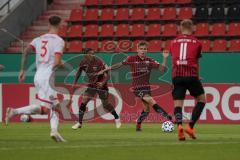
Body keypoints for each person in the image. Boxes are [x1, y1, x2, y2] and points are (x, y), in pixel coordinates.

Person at [5, 16, 66, 142]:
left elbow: (26, 51)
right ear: (60, 25)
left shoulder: (38, 39)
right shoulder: (59, 41)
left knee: (47, 109)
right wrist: (63, 64)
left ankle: (14, 111)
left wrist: (22, 70)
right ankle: (53, 131)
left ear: (48, 24)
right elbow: (57, 62)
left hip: (38, 76)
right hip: (47, 77)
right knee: (56, 107)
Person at [97, 42, 172, 131]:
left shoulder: (149, 60)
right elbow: (119, 65)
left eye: (145, 49)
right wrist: (105, 69)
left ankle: (138, 123)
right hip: (137, 88)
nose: (143, 51)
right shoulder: (131, 59)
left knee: (147, 110)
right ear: (137, 50)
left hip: (146, 87)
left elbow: (162, 69)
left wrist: (164, 58)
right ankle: (169, 118)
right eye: (141, 49)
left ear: (147, 50)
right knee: (151, 100)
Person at [168, 19, 206, 141]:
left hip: (177, 76)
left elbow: (173, 58)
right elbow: (197, 61)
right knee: (201, 100)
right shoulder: (197, 42)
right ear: (192, 28)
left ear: (180, 27)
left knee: (178, 103)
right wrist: (198, 76)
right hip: (191, 74)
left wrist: (173, 78)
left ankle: (179, 126)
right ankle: (190, 126)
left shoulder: (173, 42)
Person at [71, 48, 121, 130]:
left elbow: (108, 73)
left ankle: (116, 117)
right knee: (84, 101)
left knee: (105, 104)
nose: (92, 55)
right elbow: (79, 71)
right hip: (91, 85)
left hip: (101, 85)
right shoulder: (83, 62)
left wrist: (103, 83)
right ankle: (79, 122)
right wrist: (74, 82)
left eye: (93, 53)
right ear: (85, 54)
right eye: (90, 53)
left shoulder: (99, 61)